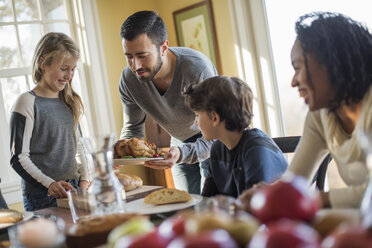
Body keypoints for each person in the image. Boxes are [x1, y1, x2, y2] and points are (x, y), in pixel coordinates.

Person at [238, 12, 372, 210]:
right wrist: (268, 194)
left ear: (332, 62)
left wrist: (317, 200)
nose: (293, 81)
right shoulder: (320, 116)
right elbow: (295, 181)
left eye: (298, 67)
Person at [118, 10, 217, 194]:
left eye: (142, 56)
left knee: (209, 206)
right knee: (186, 209)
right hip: (179, 144)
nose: (135, 66)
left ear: (163, 48)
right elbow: (133, 128)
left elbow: (218, 132)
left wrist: (182, 153)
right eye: (129, 56)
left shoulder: (197, 70)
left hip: (212, 142)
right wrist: (118, 155)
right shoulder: (128, 80)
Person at [9, 32, 89, 211]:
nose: (69, 76)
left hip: (75, 189)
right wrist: (49, 184)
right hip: (42, 195)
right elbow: (18, 158)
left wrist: (84, 179)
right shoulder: (26, 102)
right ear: (42, 63)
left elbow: (79, 147)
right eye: (64, 68)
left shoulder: (70, 101)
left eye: (73, 69)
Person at [183, 76, 288, 197]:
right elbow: (207, 200)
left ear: (215, 118)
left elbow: (255, 207)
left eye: (197, 115)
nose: (196, 123)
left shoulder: (256, 151)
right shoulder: (217, 149)